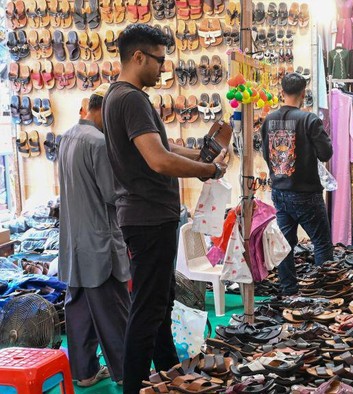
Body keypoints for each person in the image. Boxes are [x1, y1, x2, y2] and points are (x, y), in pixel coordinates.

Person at [102, 24, 229, 394]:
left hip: (146, 217)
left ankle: (173, 378)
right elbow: (158, 160)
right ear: (138, 57)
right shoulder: (131, 99)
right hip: (148, 218)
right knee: (147, 312)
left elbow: (164, 149)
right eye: (159, 60)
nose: (163, 68)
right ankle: (137, 389)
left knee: (157, 308)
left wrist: (203, 156)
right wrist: (206, 170)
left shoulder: (119, 96)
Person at [58, 84, 129, 388]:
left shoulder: (66, 138)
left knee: (79, 310)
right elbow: (113, 194)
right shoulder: (98, 142)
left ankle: (84, 372)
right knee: (113, 310)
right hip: (99, 241)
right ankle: (128, 372)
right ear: (105, 110)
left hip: (74, 241)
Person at [261, 73, 333, 296]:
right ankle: (325, 293)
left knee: (285, 245)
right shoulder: (309, 120)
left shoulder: (269, 120)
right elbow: (326, 152)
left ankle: (289, 291)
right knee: (321, 243)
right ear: (303, 93)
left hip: (280, 191)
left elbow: (266, 154)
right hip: (306, 192)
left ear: (282, 91)